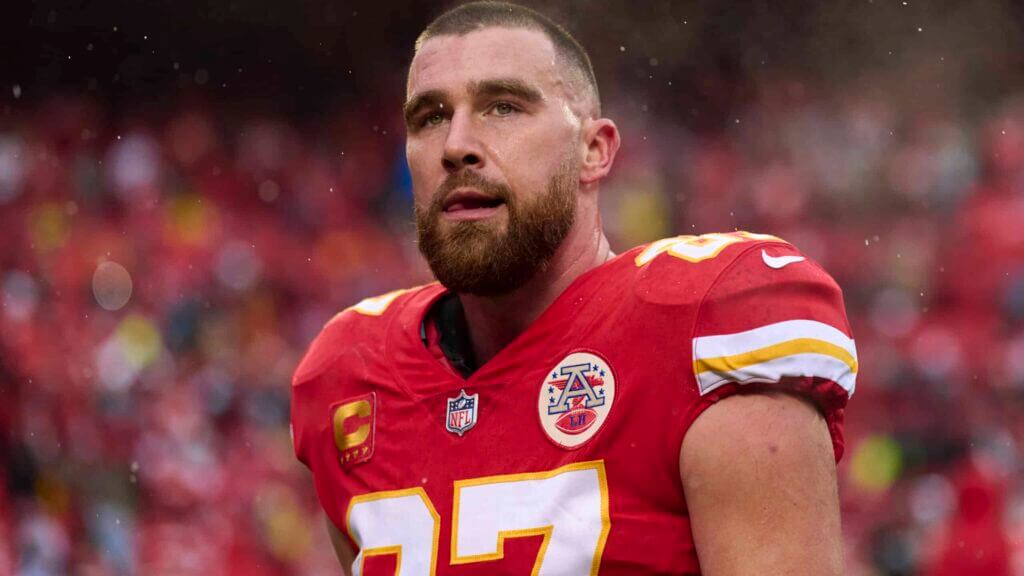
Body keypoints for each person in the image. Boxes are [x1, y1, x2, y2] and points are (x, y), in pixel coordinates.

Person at [290, 2, 856, 574]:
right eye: (430, 117)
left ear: (594, 151)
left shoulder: (703, 321)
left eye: (503, 107)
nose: (455, 145)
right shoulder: (349, 373)